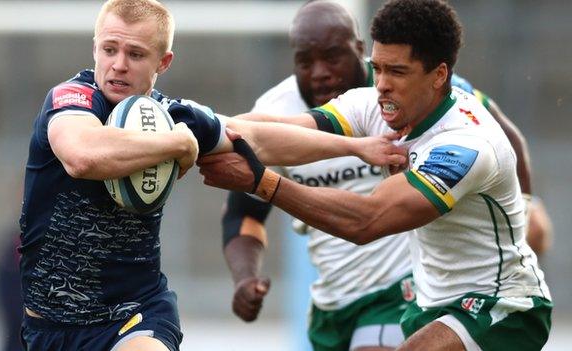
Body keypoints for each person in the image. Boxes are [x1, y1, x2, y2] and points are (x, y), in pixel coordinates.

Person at [18, 1, 406, 350]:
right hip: (50, 326)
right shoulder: (72, 99)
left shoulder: (174, 115)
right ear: (95, 48)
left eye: (135, 54)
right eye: (109, 49)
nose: (119, 64)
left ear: (163, 62)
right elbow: (83, 156)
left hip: (135, 314)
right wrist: (178, 146)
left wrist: (356, 147)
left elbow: (256, 138)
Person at [198, 1, 552, 350]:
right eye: (378, 69)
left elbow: (368, 221)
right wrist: (186, 130)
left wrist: (262, 182)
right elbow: (269, 132)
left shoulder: (464, 145)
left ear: (438, 76)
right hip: (414, 304)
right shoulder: (372, 102)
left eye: (396, 71)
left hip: (496, 306)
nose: (381, 83)